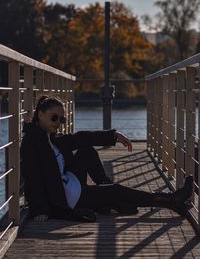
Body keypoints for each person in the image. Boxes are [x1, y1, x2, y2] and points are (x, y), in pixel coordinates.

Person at [21, 95, 193, 222]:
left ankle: (107, 196)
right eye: (54, 117)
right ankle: (170, 200)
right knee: (115, 191)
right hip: (69, 198)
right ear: (40, 114)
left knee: (86, 151)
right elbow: (32, 178)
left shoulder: (48, 138)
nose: (58, 122)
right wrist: (39, 209)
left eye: (61, 119)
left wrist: (113, 136)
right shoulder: (32, 143)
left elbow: (80, 138)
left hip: (69, 183)